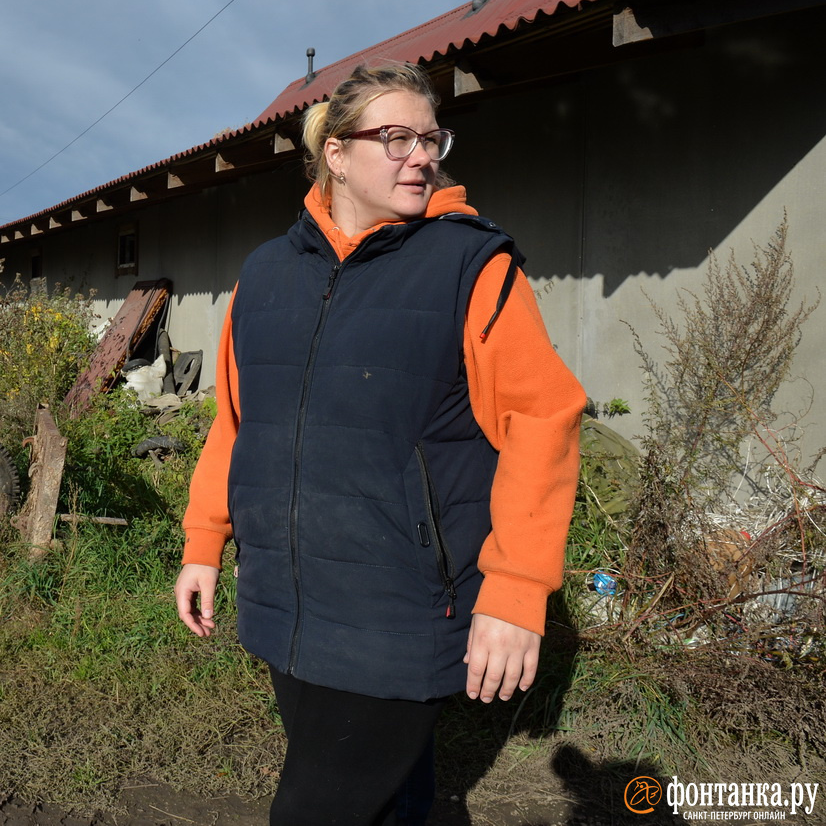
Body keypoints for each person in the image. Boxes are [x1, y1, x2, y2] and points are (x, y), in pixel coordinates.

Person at [173, 63, 585, 826]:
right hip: (286, 598)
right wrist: (204, 542)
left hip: (400, 611)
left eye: (431, 138)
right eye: (395, 138)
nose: (421, 155)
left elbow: (544, 418)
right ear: (335, 153)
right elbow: (236, 422)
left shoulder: (470, 264)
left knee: (314, 810)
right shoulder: (265, 275)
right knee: (393, 801)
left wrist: (518, 590)